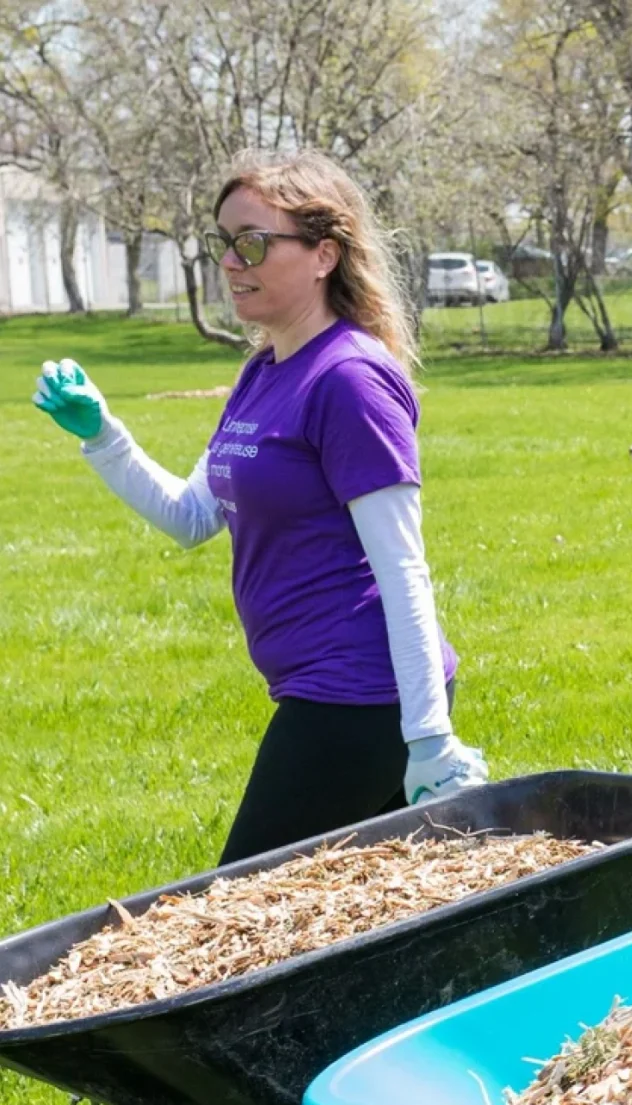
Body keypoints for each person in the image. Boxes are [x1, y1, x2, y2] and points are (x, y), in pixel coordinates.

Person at [31, 150, 488, 866]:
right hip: (327, 693)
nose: (232, 261)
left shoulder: (349, 380)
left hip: (361, 698)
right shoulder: (264, 369)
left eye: (253, 242)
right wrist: (102, 435)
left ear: (323, 255)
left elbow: (403, 569)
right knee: (348, 922)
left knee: (236, 903)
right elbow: (190, 516)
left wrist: (428, 736)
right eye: (223, 242)